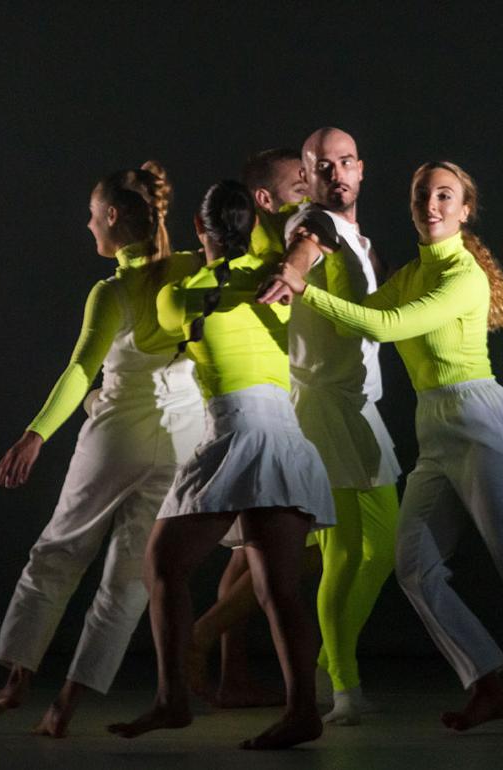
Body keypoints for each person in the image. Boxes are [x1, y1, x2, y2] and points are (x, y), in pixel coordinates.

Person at [260, 160, 503, 735]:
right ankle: (485, 681)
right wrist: (307, 243)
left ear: (465, 210)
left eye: (444, 196)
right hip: (435, 427)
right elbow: (352, 315)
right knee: (413, 566)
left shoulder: (463, 276)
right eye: (421, 197)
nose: (431, 205)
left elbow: (382, 328)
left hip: (482, 421)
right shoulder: (411, 274)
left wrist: (301, 286)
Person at [0, 162, 205, 738]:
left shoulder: (113, 291)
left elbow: (81, 370)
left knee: (58, 553)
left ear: (114, 216)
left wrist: (36, 433)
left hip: (121, 432)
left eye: (92, 214)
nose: (88, 223)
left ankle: (17, 681)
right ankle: (66, 705)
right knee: (128, 580)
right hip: (181, 437)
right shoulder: (193, 269)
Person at [108, 180, 335, 750]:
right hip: (282, 432)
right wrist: (297, 252)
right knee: (277, 588)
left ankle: (172, 699)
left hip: (235, 432)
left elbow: (162, 329)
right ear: (253, 226)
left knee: (162, 564)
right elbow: (321, 226)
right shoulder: (275, 275)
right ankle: (303, 710)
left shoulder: (180, 296)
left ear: (197, 230)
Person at [185, 148, 319, 709]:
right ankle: (204, 637)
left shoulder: (291, 238)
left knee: (249, 552)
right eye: (300, 182)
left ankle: (232, 675)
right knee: (301, 548)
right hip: (286, 401)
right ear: (263, 201)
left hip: (281, 397)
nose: (311, 189)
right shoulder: (268, 252)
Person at [283, 127, 403, 725]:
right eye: (322, 166)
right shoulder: (317, 225)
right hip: (324, 408)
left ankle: (328, 664)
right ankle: (345, 692)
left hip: (361, 406)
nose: (337, 173)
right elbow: (306, 246)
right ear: (306, 177)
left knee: (383, 545)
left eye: (346, 162)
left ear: (361, 168)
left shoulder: (360, 237)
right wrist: (293, 269)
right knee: (343, 552)